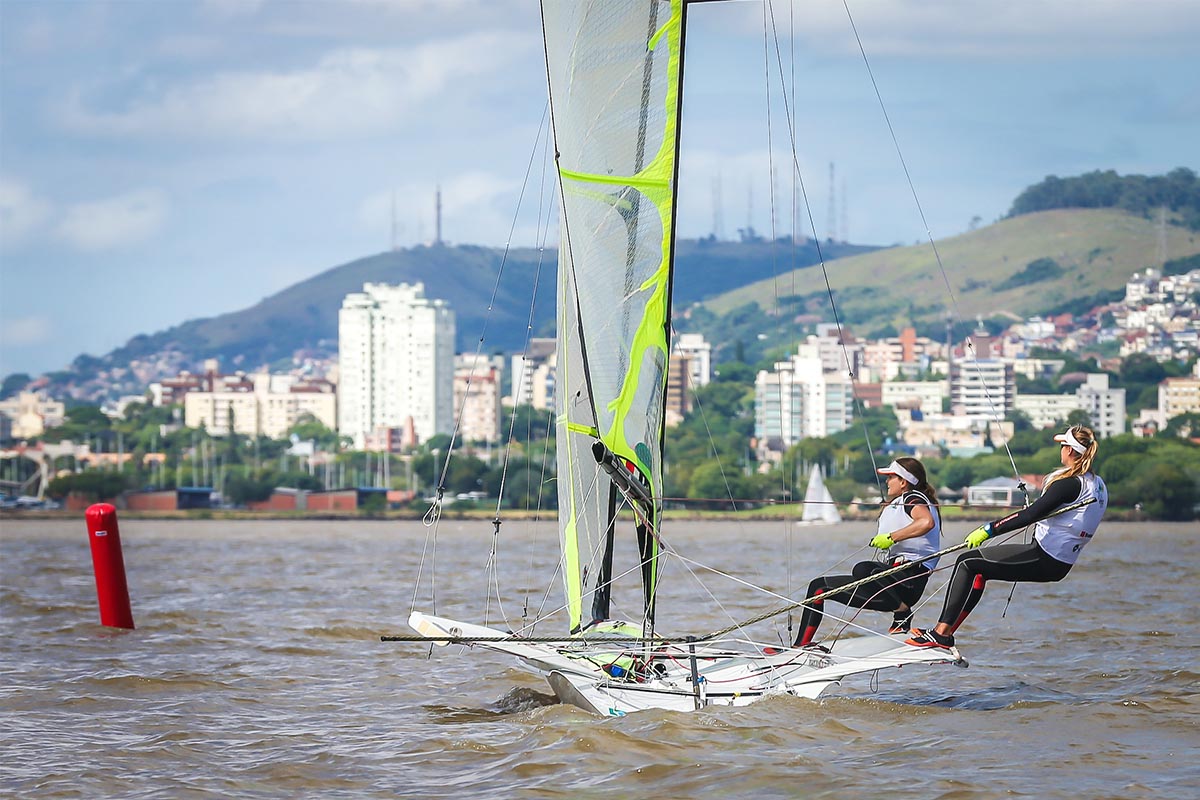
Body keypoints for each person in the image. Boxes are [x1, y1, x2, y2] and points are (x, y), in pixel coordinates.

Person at [906, 425, 1108, 650]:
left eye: (1062, 446)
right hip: (1058, 562)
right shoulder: (1097, 485)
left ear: (1070, 450)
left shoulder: (1069, 484)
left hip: (1045, 557)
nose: (1060, 449)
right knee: (978, 571)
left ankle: (940, 634)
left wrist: (989, 530)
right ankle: (944, 633)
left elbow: (1031, 515)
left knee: (967, 562)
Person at [793, 457, 941, 647]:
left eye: (890, 477)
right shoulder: (897, 503)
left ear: (903, 482)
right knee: (818, 588)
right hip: (888, 585)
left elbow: (926, 522)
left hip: (908, 583)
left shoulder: (913, 498)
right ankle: (800, 647)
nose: (887, 482)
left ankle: (902, 613)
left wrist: (891, 537)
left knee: (863, 569)